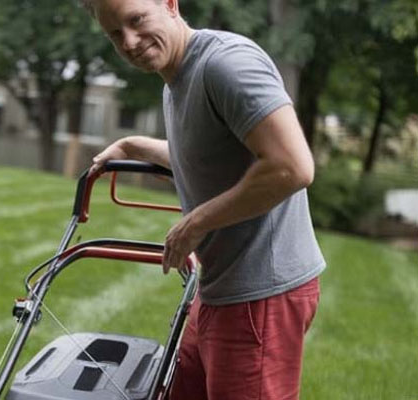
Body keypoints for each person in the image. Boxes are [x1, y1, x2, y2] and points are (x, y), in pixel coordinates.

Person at [82, 0, 326, 399]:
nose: (128, 42)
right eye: (114, 34)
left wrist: (194, 223)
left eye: (136, 20)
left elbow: (292, 167)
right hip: (219, 290)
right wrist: (134, 146)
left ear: (170, 4)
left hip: (260, 296)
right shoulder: (176, 78)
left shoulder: (225, 65)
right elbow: (208, 154)